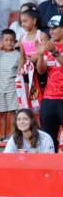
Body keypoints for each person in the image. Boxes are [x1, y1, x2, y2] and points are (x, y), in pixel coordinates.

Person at [36, 14, 63, 152]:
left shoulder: (52, 48)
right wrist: (40, 55)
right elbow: (41, 71)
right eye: (50, 28)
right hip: (49, 99)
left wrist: (55, 52)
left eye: (55, 28)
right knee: (48, 139)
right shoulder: (49, 47)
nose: (51, 31)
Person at [0, 30, 21, 142]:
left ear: (15, 41)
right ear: (2, 41)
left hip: (12, 88)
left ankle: (12, 136)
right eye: (6, 40)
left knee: (12, 112)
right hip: (0, 88)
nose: (9, 43)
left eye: (11, 40)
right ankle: (2, 136)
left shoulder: (17, 55)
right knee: (2, 113)